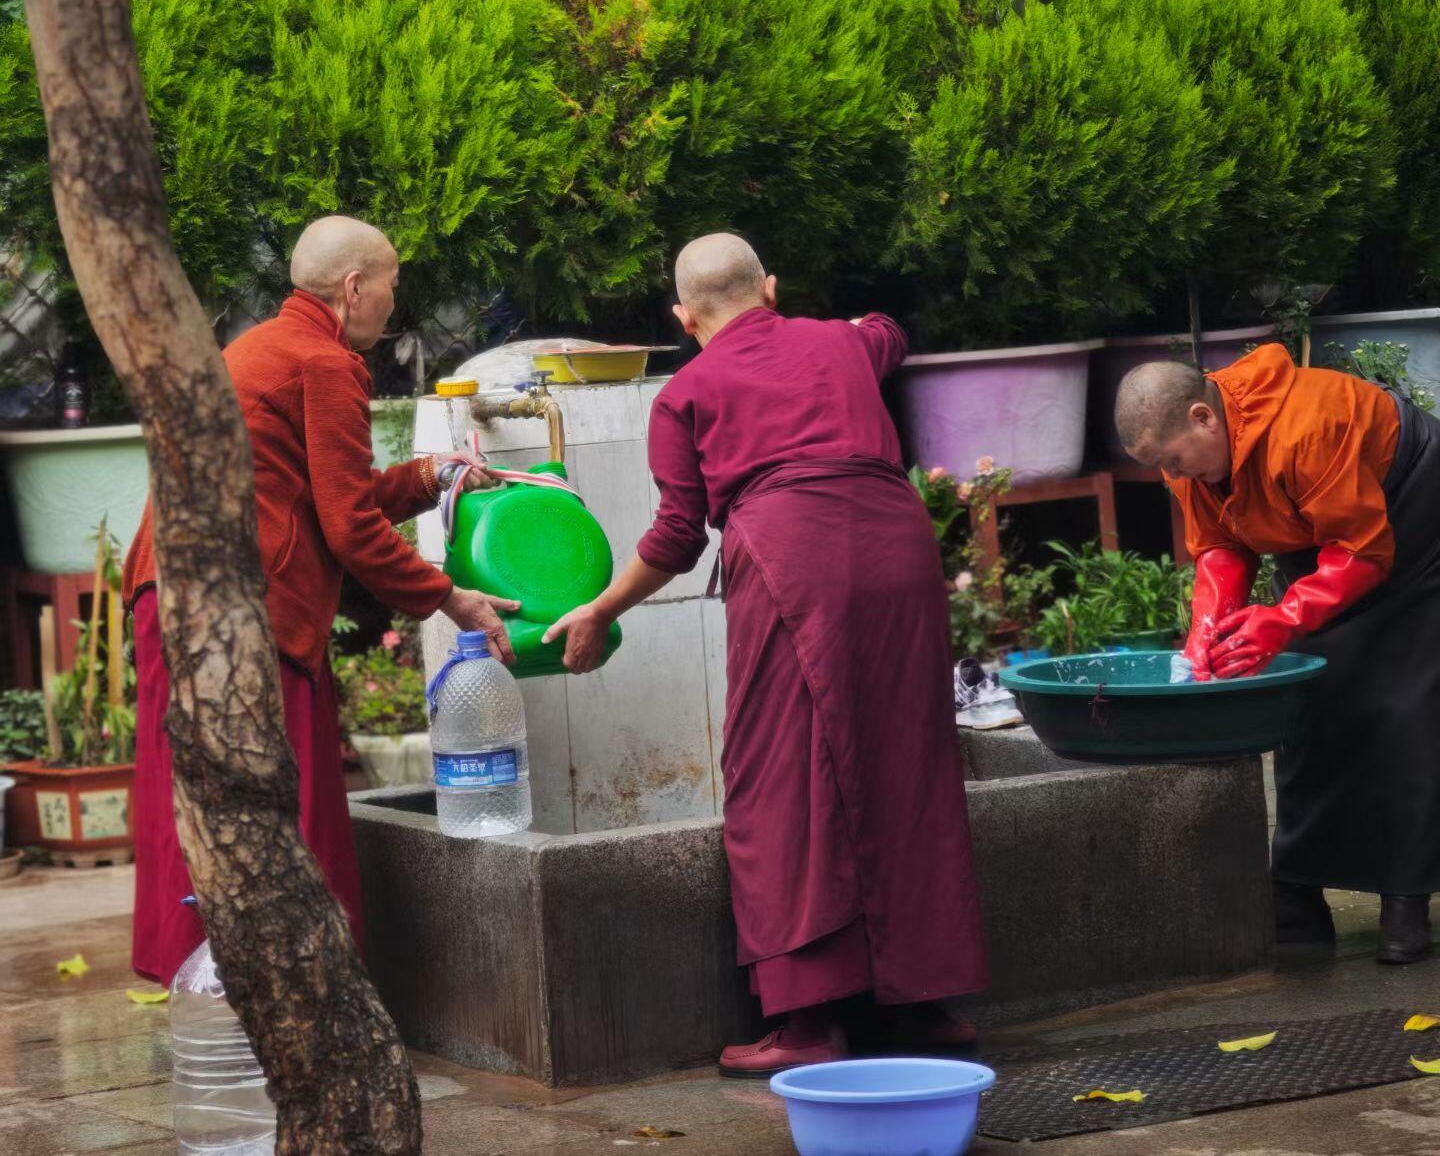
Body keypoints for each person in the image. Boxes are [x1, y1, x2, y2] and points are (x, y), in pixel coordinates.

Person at [544, 233, 987, 1075]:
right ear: (770, 288)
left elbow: (677, 535)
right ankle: (920, 1006)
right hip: (898, 545)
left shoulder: (687, 390)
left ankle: (807, 1021)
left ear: (683, 317)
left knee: (780, 771)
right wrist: (847, 323)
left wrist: (600, 608)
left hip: (794, 558)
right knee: (907, 757)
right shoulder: (844, 340)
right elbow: (889, 327)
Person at [122, 215, 518, 984]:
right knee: (279, 805)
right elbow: (348, 527)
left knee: (199, 794)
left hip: (174, 589)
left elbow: (328, 494)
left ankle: (210, 989)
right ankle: (288, 995)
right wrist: (452, 599)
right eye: (392, 286)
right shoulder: (325, 361)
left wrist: (429, 473)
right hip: (240, 612)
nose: (393, 306)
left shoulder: (265, 344)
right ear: (354, 287)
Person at [1116, 342, 1440, 966]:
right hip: (1323, 535)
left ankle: (1406, 899)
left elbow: (1363, 551)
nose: (1176, 477)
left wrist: (1284, 616)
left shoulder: (1308, 427)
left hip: (1414, 518)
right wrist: (1209, 630)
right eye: (1165, 469)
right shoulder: (1188, 453)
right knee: (1307, 696)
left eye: (1177, 461)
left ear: (1202, 418)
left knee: (1402, 702)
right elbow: (1220, 547)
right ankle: (1296, 894)